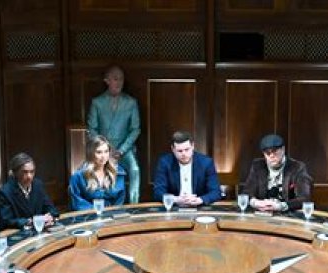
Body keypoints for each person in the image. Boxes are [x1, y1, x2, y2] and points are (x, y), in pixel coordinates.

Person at [87, 65, 141, 204]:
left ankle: (134, 205)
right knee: (89, 170)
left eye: (121, 79)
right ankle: (101, 205)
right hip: (103, 148)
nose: (119, 82)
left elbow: (135, 129)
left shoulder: (131, 102)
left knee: (135, 169)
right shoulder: (97, 102)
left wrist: (122, 150)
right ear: (107, 81)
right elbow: (92, 129)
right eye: (115, 79)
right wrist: (104, 149)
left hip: (124, 149)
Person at [243, 134, 313, 213]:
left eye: (275, 151)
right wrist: (256, 203)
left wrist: (280, 206)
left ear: (283, 149)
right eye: (267, 153)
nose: (272, 156)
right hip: (262, 213)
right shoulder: (258, 166)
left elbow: (305, 198)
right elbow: (246, 193)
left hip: (288, 215)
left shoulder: (297, 167)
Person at [152, 131, 221, 207]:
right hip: (174, 208)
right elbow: (158, 192)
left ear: (192, 146)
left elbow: (216, 192)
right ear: (173, 149)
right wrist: (175, 199)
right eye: (180, 151)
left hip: (199, 208)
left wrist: (200, 200)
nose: (184, 154)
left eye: (187, 149)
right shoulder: (165, 163)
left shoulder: (206, 163)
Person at [0, 152, 59, 230]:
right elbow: (6, 221)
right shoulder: (5, 192)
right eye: (25, 172)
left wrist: (50, 217)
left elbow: (51, 208)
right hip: (18, 233)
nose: (29, 176)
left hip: (40, 230)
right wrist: (29, 221)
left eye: (32, 172)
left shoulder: (38, 185)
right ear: (15, 173)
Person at [69, 135, 126, 211]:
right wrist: (97, 211)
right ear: (90, 153)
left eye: (106, 151)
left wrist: (112, 213)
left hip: (113, 214)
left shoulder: (118, 172)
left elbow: (120, 199)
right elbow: (77, 202)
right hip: (87, 215)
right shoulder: (78, 176)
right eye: (99, 152)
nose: (103, 156)